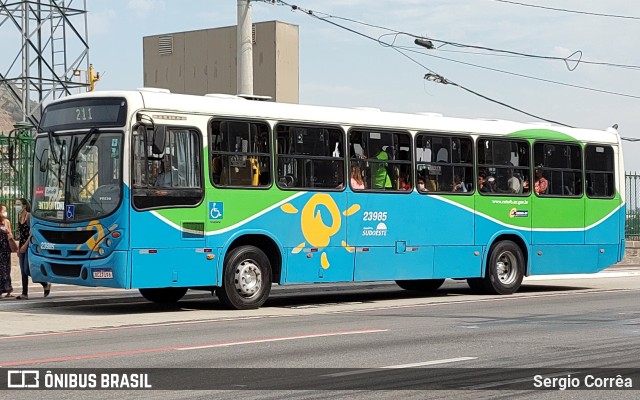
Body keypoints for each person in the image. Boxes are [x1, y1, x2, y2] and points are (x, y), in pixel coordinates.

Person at [15, 199, 51, 300]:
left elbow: (32, 232)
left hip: (29, 245)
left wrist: (25, 246)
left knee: (27, 269)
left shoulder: (29, 216)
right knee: (22, 270)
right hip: (22, 246)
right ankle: (24, 293)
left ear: (25, 206)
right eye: (16, 204)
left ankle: (45, 284)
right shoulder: (20, 218)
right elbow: (20, 235)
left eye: (18, 204)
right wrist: (18, 248)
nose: (16, 206)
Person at [0, 205, 14, 297]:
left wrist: (7, 232)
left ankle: (8, 289)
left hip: (5, 248)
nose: (5, 212)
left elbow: (10, 233)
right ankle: (1, 290)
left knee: (6, 268)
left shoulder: (7, 221)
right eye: (4, 211)